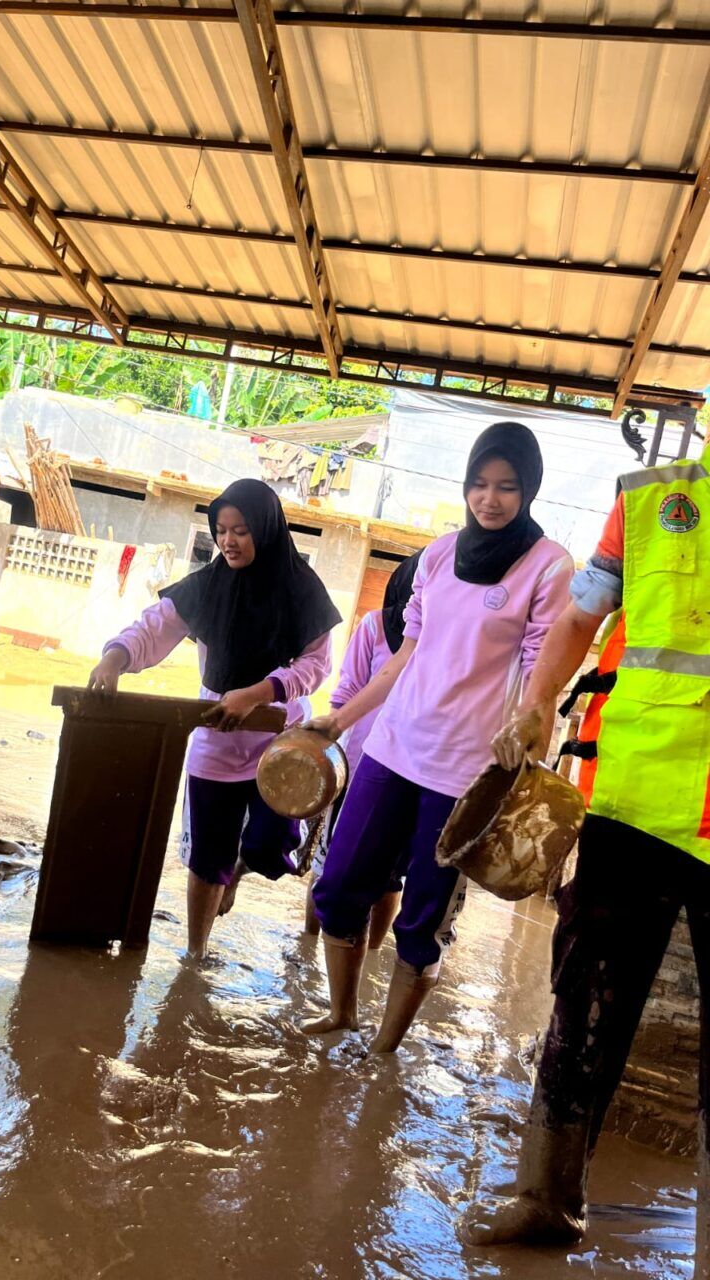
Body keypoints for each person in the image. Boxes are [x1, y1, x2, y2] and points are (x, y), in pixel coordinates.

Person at [459, 443, 710, 1252]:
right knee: (582, 1004)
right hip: (636, 802)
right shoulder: (654, 500)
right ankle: (546, 1199)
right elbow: (579, 617)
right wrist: (536, 707)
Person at [302, 423, 572, 1048]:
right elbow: (405, 657)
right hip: (392, 749)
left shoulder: (549, 565)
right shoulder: (438, 555)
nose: (490, 499)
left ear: (529, 489)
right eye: (479, 483)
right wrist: (339, 721)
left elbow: (542, 672)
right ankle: (342, 1014)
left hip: (465, 774)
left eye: (507, 487)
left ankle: (384, 1048)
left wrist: (530, 730)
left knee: (423, 920)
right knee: (338, 887)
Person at [88, 478, 340, 959]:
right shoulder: (207, 586)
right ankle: (195, 954)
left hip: (280, 740)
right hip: (218, 735)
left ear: (265, 529)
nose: (228, 541)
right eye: (221, 531)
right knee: (207, 857)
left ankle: (241, 868)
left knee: (269, 846)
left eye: (241, 531)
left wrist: (259, 693)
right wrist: (115, 657)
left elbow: (316, 666)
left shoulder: (302, 589)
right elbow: (154, 626)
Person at [304, 551, 423, 945]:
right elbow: (347, 690)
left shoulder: (442, 642)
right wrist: (330, 745)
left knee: (390, 878)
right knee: (329, 866)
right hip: (358, 768)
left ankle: (370, 953)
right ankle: (307, 947)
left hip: (411, 773)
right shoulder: (374, 626)